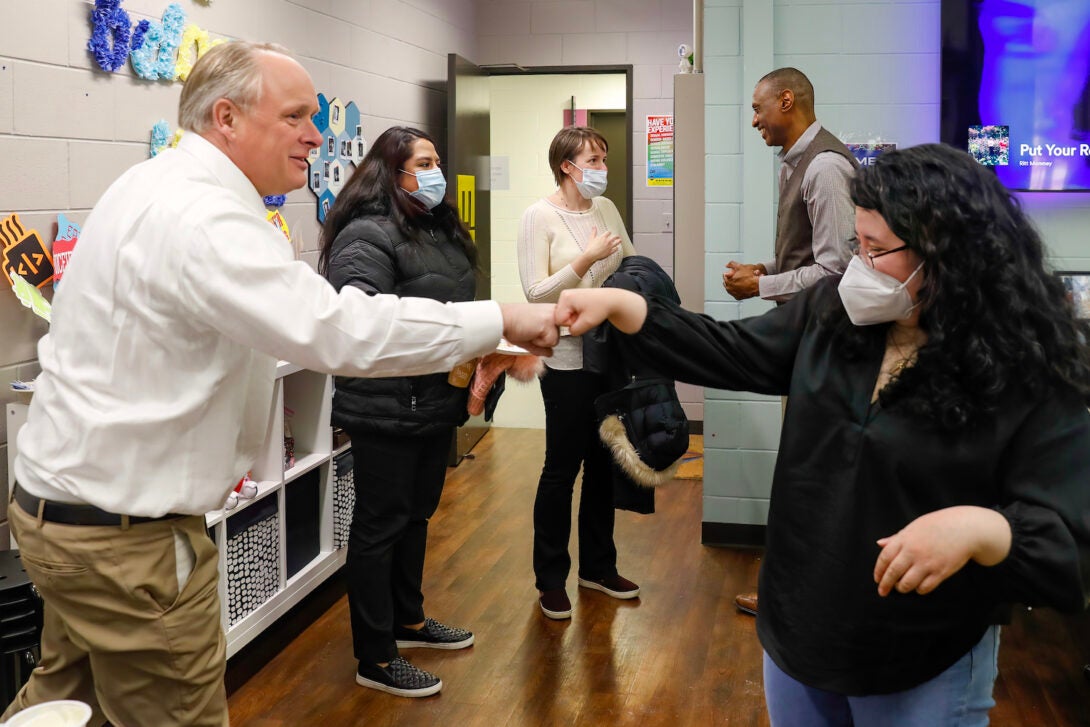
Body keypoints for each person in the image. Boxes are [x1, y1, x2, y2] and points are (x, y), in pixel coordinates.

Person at [3, 41, 557, 727]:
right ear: (226, 117)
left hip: (62, 516)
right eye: (295, 114)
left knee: (63, 703)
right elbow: (336, 328)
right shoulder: (203, 216)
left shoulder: (153, 184)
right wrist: (499, 320)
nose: (317, 133)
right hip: (125, 543)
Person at [556, 143, 1090, 726]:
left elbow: (1070, 538)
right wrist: (622, 305)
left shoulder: (1022, 370)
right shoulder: (835, 314)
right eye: (856, 245)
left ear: (951, 254)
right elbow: (732, 351)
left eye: (878, 250)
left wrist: (984, 528)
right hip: (800, 632)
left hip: (919, 656)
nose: (858, 266)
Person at [318, 126, 478, 698]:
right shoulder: (365, 235)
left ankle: (409, 622)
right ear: (394, 172)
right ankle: (376, 655)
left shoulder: (436, 228)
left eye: (438, 160)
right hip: (385, 405)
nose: (436, 172)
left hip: (435, 400)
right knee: (379, 525)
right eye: (425, 163)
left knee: (416, 515)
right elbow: (364, 325)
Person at [724, 67, 859, 616]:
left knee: (808, 471)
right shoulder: (800, 162)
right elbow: (810, 256)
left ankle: (795, 594)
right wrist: (770, 267)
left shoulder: (824, 166)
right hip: (806, 337)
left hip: (825, 342)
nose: (754, 121)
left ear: (787, 100)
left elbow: (837, 271)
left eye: (759, 109)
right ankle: (798, 588)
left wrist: (764, 284)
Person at [517, 126, 638, 620]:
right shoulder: (538, 216)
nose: (602, 168)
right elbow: (534, 292)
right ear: (567, 166)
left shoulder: (606, 210)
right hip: (565, 362)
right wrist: (586, 261)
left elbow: (630, 264)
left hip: (609, 356)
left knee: (604, 465)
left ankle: (598, 567)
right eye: (593, 159)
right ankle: (550, 578)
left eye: (603, 158)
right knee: (561, 469)